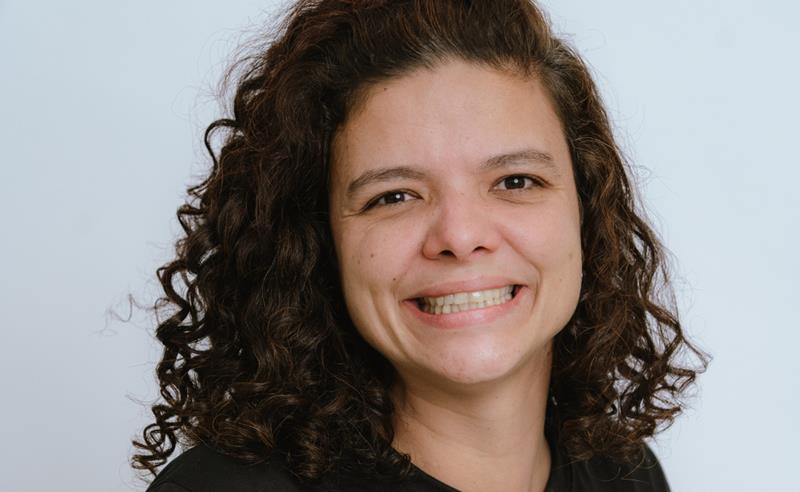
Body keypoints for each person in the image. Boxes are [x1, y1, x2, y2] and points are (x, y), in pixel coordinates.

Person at [132, 1, 709, 490]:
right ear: (318, 241)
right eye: (394, 196)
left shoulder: (625, 475)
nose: (460, 236)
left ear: (586, 211)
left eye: (515, 181)